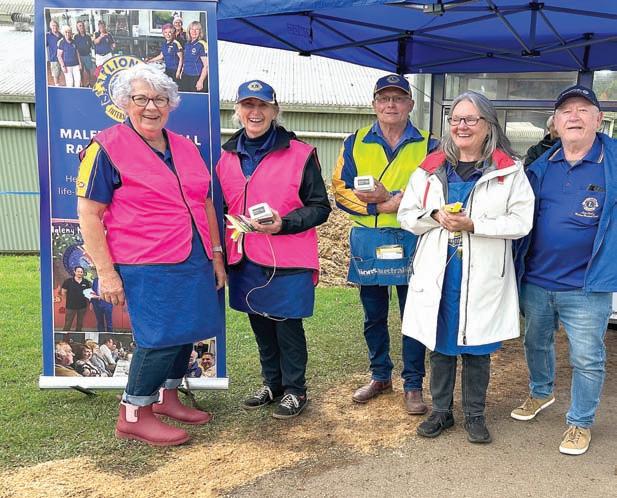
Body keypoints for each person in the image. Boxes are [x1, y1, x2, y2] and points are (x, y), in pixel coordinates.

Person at [77, 63, 225, 446]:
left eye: (160, 99)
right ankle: (133, 413)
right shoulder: (106, 147)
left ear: (170, 104)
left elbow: (205, 202)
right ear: (125, 102)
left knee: (186, 330)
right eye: (141, 98)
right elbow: (89, 214)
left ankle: (167, 398)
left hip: (193, 256)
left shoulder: (185, 147)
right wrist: (106, 273)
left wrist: (216, 254)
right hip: (146, 261)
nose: (151, 107)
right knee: (159, 338)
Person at [398, 91, 534, 444]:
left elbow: (521, 222)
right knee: (441, 344)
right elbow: (406, 215)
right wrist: (434, 215)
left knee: (477, 348)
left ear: (488, 125)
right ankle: (441, 412)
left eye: (471, 119)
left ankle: (475, 415)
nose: (462, 126)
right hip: (440, 273)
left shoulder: (508, 171)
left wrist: (475, 224)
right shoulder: (430, 168)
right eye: (456, 119)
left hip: (483, 274)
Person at [511, 85, 617, 456]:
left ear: (598, 119)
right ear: (555, 123)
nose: (574, 116)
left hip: (587, 285)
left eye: (583, 109)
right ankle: (541, 392)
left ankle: (580, 422)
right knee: (535, 342)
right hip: (537, 280)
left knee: (587, 357)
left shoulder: (612, 162)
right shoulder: (539, 167)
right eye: (566, 111)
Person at [216, 80, 331, 419]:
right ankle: (272, 383)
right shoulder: (225, 157)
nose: (255, 112)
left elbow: (320, 207)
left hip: (288, 257)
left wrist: (285, 223)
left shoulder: (301, 153)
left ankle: (296, 390)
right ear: (237, 110)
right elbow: (221, 206)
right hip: (244, 255)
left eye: (262, 105)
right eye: (248, 105)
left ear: (275, 110)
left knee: (287, 326)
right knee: (260, 323)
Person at [331, 74, 434, 414]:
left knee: (412, 316)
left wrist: (395, 200)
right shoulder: (355, 142)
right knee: (373, 315)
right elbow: (340, 189)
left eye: (398, 98)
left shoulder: (430, 144)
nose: (391, 104)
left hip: (413, 238)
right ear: (374, 104)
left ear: (410, 104)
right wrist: (380, 206)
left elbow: (436, 191)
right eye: (384, 98)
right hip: (369, 238)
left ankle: (413, 384)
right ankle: (380, 375)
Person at [58, 266, 91, 332]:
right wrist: (69, 300)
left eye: (81, 272)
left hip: (82, 307)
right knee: (68, 323)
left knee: (80, 324)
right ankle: (65, 338)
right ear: (74, 272)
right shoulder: (68, 281)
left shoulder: (86, 282)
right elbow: (63, 292)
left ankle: (78, 337)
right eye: (78, 271)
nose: (80, 273)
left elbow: (89, 293)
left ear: (83, 273)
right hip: (70, 307)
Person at [179, 21, 208, 93]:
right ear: (189, 31)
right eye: (192, 29)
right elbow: (185, 60)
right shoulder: (187, 44)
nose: (194, 32)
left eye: (196, 29)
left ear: (200, 32)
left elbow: (206, 65)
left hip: (196, 77)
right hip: (185, 76)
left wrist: (200, 81)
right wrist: (181, 72)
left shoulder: (202, 45)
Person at [74, 20, 94, 87]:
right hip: (80, 57)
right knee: (81, 71)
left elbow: (90, 45)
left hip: (87, 56)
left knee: (88, 71)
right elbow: (75, 48)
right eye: (80, 26)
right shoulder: (76, 37)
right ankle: (82, 84)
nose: (81, 27)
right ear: (77, 28)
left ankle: (89, 83)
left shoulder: (88, 36)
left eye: (82, 25)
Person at [46, 20, 63, 86]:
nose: (55, 27)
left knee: (65, 73)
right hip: (54, 59)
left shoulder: (61, 35)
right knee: (56, 75)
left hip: (63, 58)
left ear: (58, 26)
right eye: (53, 25)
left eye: (56, 25)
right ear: (50, 26)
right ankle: (57, 86)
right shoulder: (48, 35)